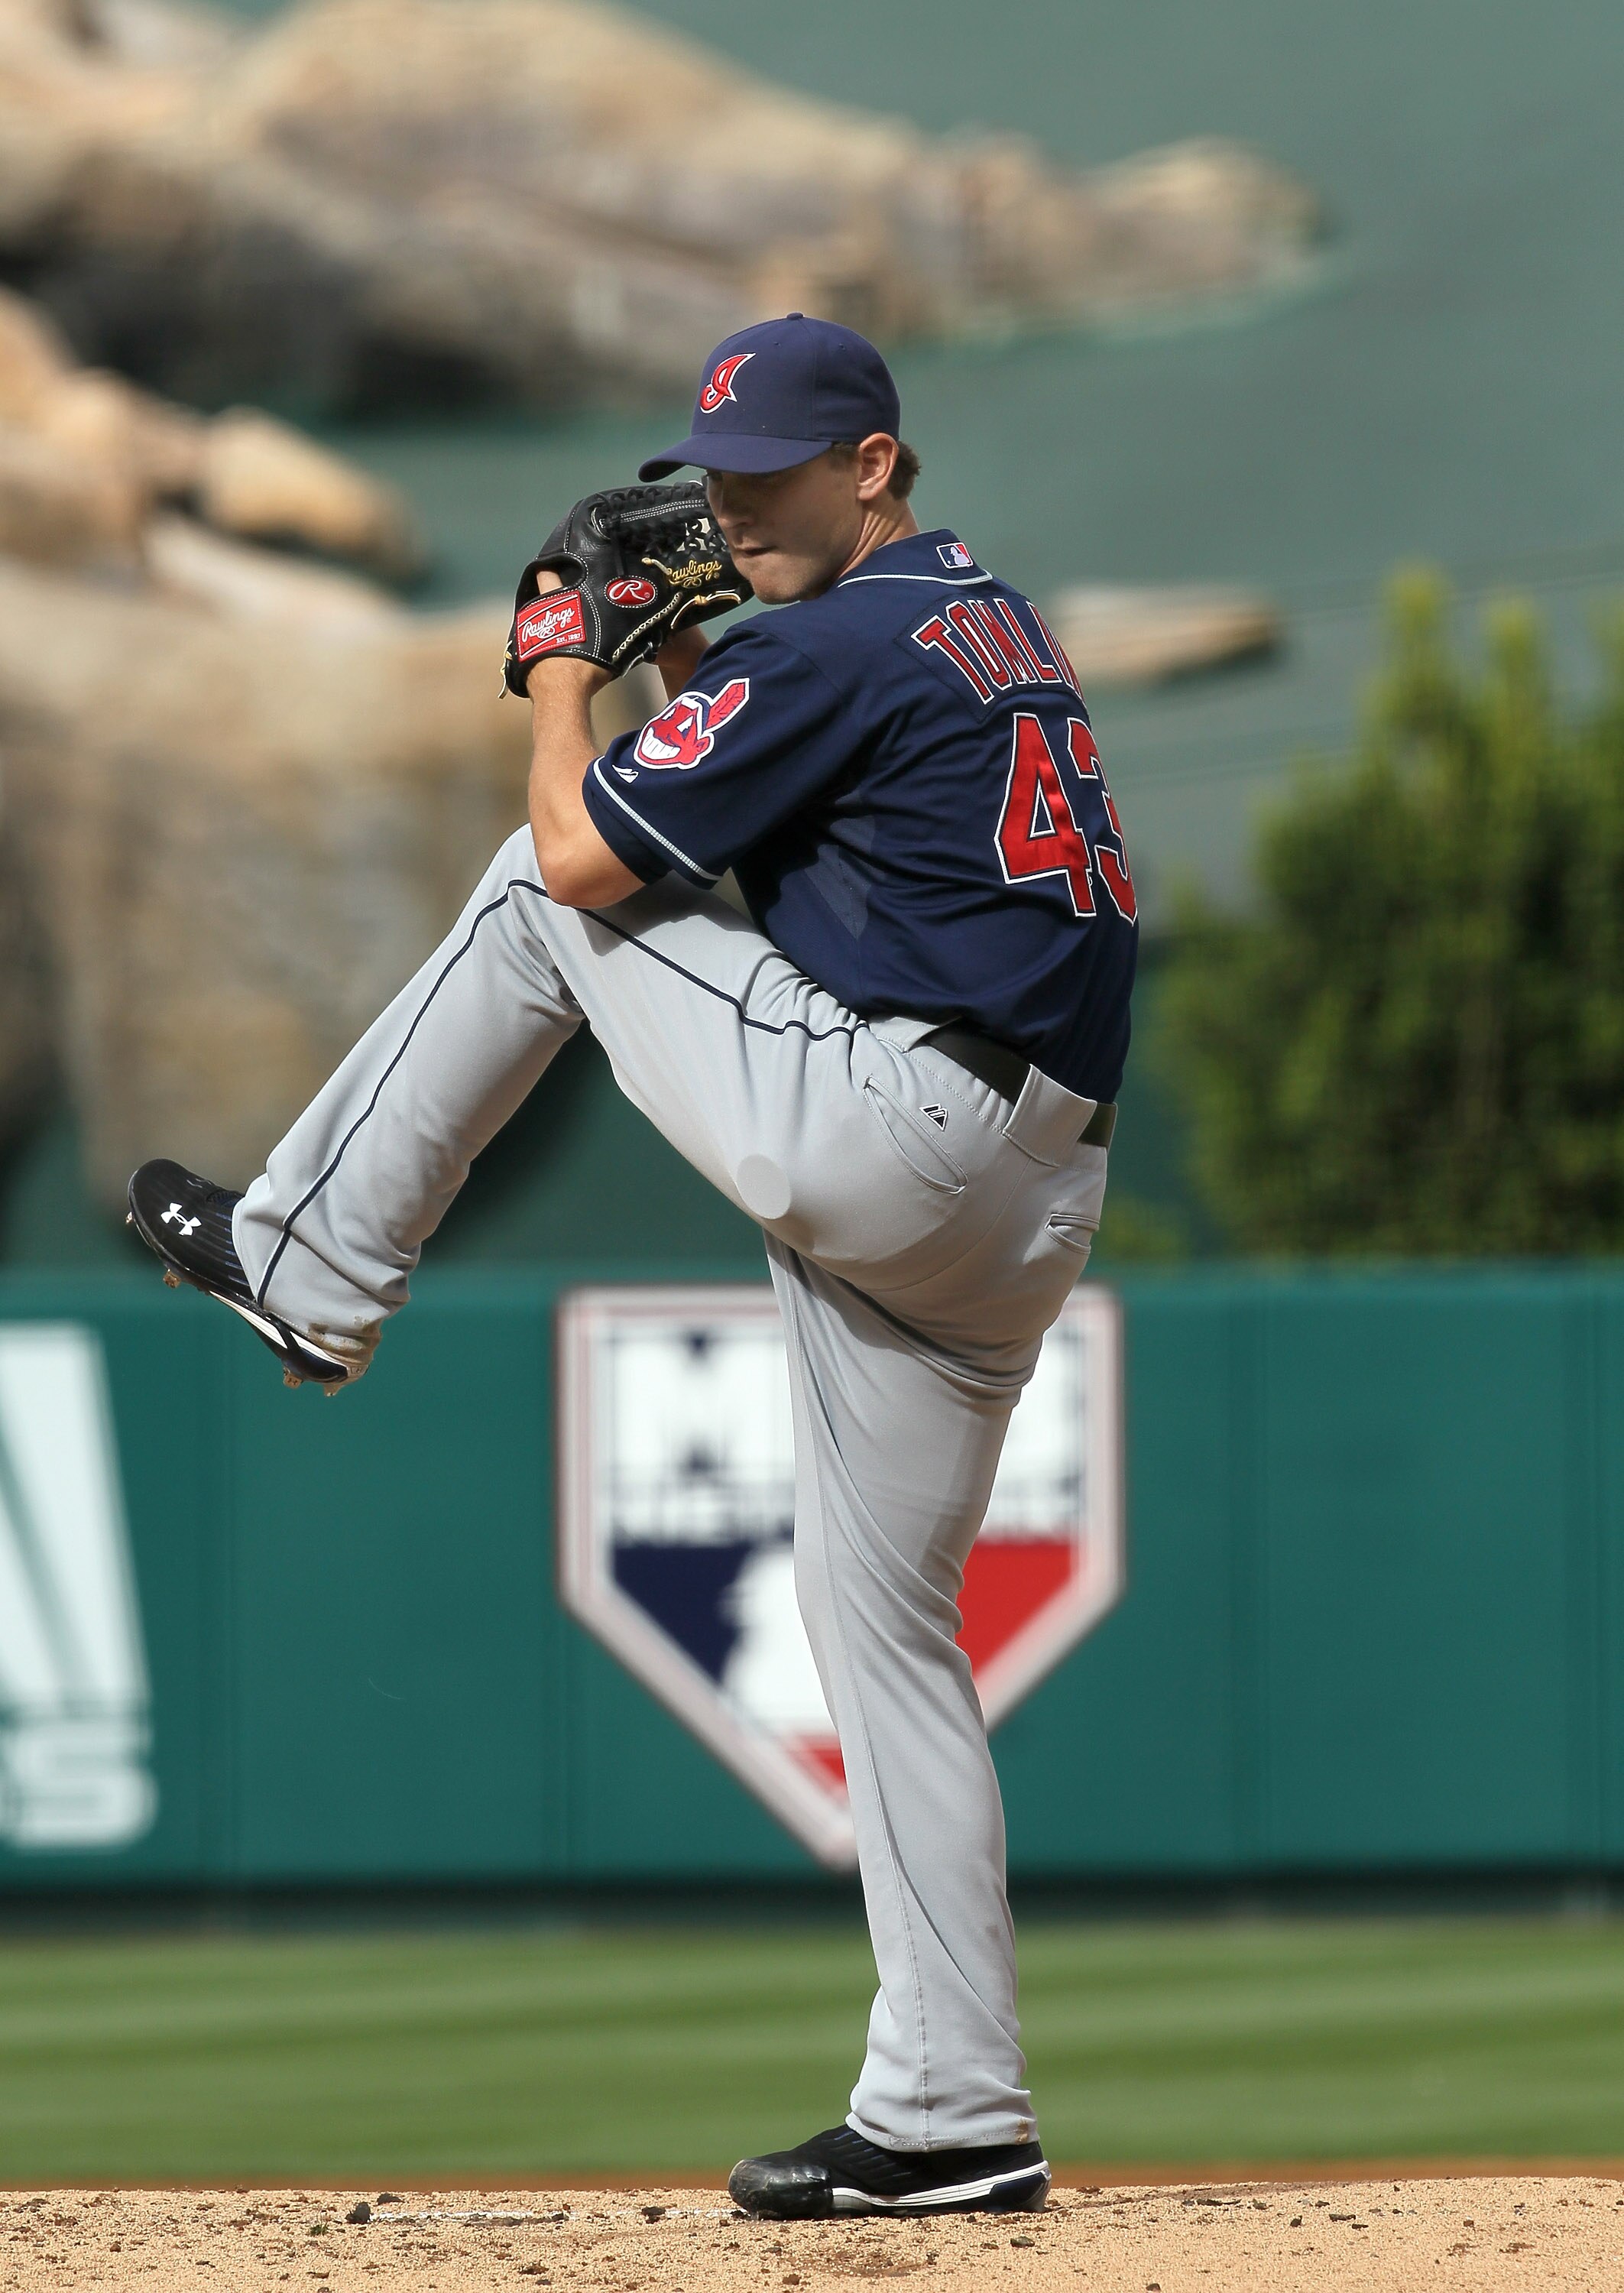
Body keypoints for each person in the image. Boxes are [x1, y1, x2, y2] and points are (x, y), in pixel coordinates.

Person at [128, 315, 1137, 2219]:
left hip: (900, 1132)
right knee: (886, 1635)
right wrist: (687, 656)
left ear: (875, 464)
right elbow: (819, 855)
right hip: (1023, 1191)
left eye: (774, 473)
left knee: (533, 886)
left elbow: (594, 859)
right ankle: (952, 2108)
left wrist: (559, 676)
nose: (735, 504)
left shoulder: (834, 640)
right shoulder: (973, 622)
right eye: (720, 475)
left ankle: (308, 1253)